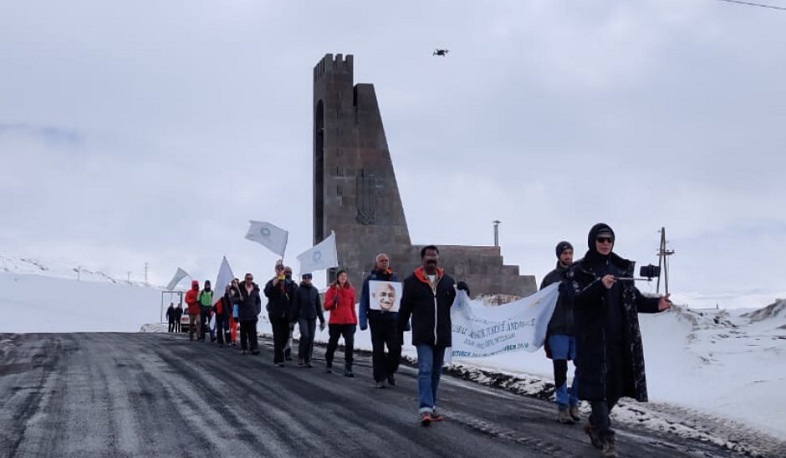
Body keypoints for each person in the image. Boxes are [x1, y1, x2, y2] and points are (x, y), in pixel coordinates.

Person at [565, 223, 672, 457]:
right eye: (601, 239)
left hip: (618, 340)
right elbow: (578, 299)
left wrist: (656, 305)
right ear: (592, 241)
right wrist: (599, 285)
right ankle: (607, 437)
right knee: (598, 391)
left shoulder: (619, 269)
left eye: (609, 240)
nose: (605, 243)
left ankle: (594, 423)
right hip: (592, 342)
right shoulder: (579, 270)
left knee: (614, 389)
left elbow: (634, 299)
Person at [397, 245, 469, 426]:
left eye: (434, 256)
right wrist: (399, 329)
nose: (432, 259)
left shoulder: (447, 282)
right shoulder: (412, 282)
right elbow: (405, 308)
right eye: (428, 256)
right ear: (422, 259)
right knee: (425, 369)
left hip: (442, 334)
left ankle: (432, 405)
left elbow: (460, 306)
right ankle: (425, 409)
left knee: (436, 373)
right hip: (423, 334)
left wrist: (464, 291)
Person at [541, 241, 581, 424]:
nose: (568, 256)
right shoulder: (550, 279)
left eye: (570, 253)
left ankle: (575, 402)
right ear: (559, 255)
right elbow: (540, 304)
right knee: (560, 368)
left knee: (583, 368)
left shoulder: (579, 275)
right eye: (565, 253)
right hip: (557, 329)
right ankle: (562, 406)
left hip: (577, 329)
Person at [359, 253, 402, 388]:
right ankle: (379, 378)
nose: (384, 262)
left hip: (392, 320)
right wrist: (363, 321)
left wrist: (405, 322)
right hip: (376, 320)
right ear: (376, 263)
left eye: (386, 260)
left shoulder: (394, 278)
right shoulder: (370, 280)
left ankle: (390, 371)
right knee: (378, 350)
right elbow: (364, 299)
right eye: (381, 261)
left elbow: (400, 300)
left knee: (395, 348)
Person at [324, 267, 357, 377]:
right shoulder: (332, 290)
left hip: (348, 321)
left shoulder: (350, 290)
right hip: (335, 321)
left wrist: (355, 321)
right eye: (341, 276)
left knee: (349, 344)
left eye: (345, 276)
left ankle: (348, 366)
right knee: (333, 343)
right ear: (337, 278)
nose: (343, 278)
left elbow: (352, 307)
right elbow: (326, 306)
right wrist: (333, 301)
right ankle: (328, 362)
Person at [264, 261, 297, 366]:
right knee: (277, 336)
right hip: (275, 313)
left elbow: (294, 297)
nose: (280, 270)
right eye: (278, 268)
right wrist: (274, 285)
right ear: (275, 270)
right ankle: (278, 359)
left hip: (286, 314)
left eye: (281, 268)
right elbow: (267, 293)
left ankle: (281, 350)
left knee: (286, 336)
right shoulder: (272, 282)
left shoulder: (289, 284)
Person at [290, 272, 325, 368]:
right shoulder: (299, 290)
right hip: (302, 316)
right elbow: (295, 305)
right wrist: (293, 319)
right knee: (305, 335)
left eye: (308, 277)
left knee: (311, 337)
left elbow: (318, 306)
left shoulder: (315, 291)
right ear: (303, 279)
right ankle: (301, 356)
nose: (307, 279)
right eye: (305, 278)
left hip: (312, 317)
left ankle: (308, 358)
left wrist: (322, 320)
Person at [236, 272, 262, 355]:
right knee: (243, 332)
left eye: (251, 279)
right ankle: (243, 348)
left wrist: (257, 310)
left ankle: (254, 348)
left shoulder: (255, 289)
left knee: (253, 332)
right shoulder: (240, 289)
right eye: (248, 279)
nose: (249, 280)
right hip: (243, 314)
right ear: (245, 279)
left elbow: (258, 301)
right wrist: (239, 299)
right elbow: (233, 299)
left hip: (252, 314)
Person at [283, 266, 296, 361]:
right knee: (281, 334)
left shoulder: (294, 286)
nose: (288, 274)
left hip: (291, 314)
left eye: (289, 272)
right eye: (286, 272)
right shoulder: (280, 284)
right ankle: (281, 350)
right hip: (280, 313)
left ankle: (288, 352)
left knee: (289, 335)